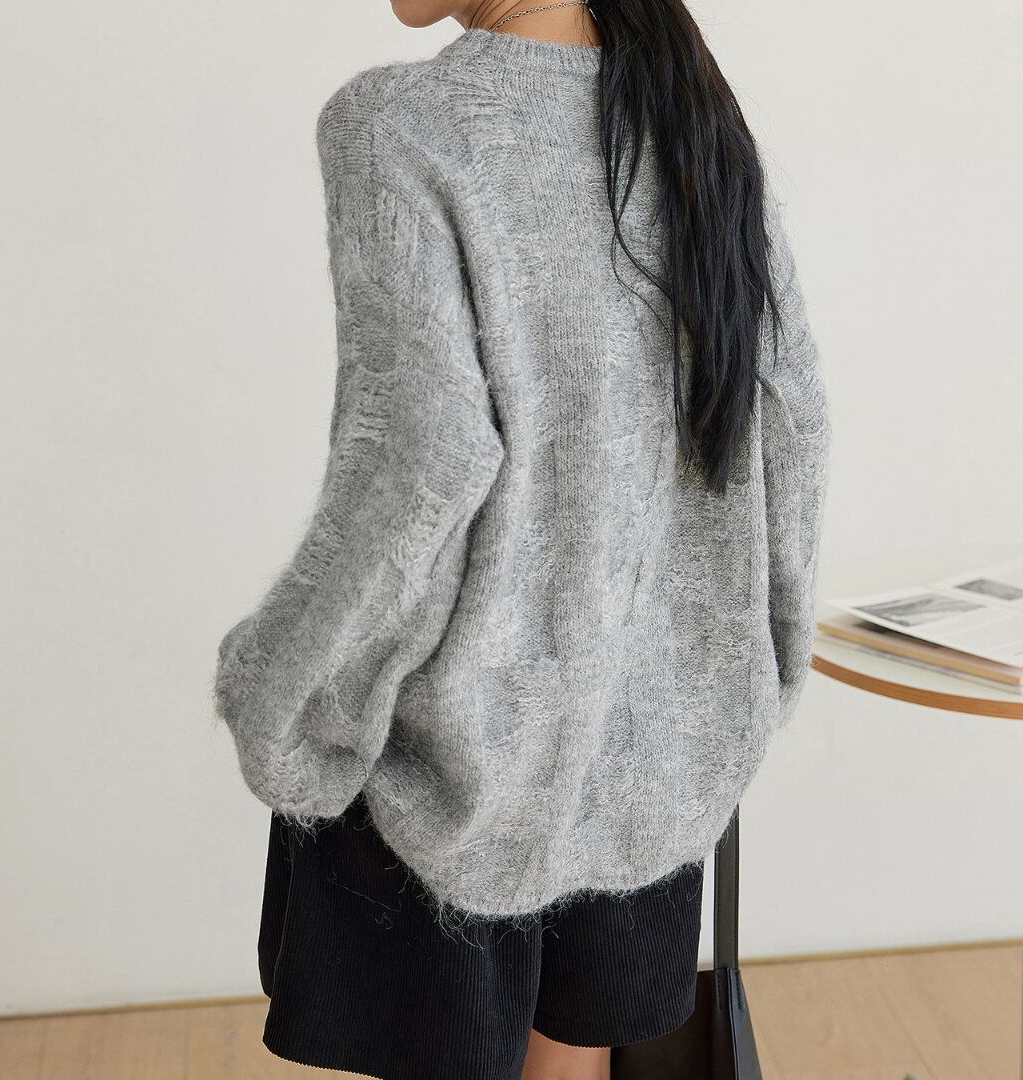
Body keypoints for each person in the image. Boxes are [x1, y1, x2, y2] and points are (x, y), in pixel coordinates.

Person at [212, 1, 831, 1077]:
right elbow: (794, 418)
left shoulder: (397, 124)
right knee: (573, 1063)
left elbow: (420, 460)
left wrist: (285, 690)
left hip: (451, 756)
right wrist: (756, 670)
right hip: (653, 746)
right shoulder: (694, 115)